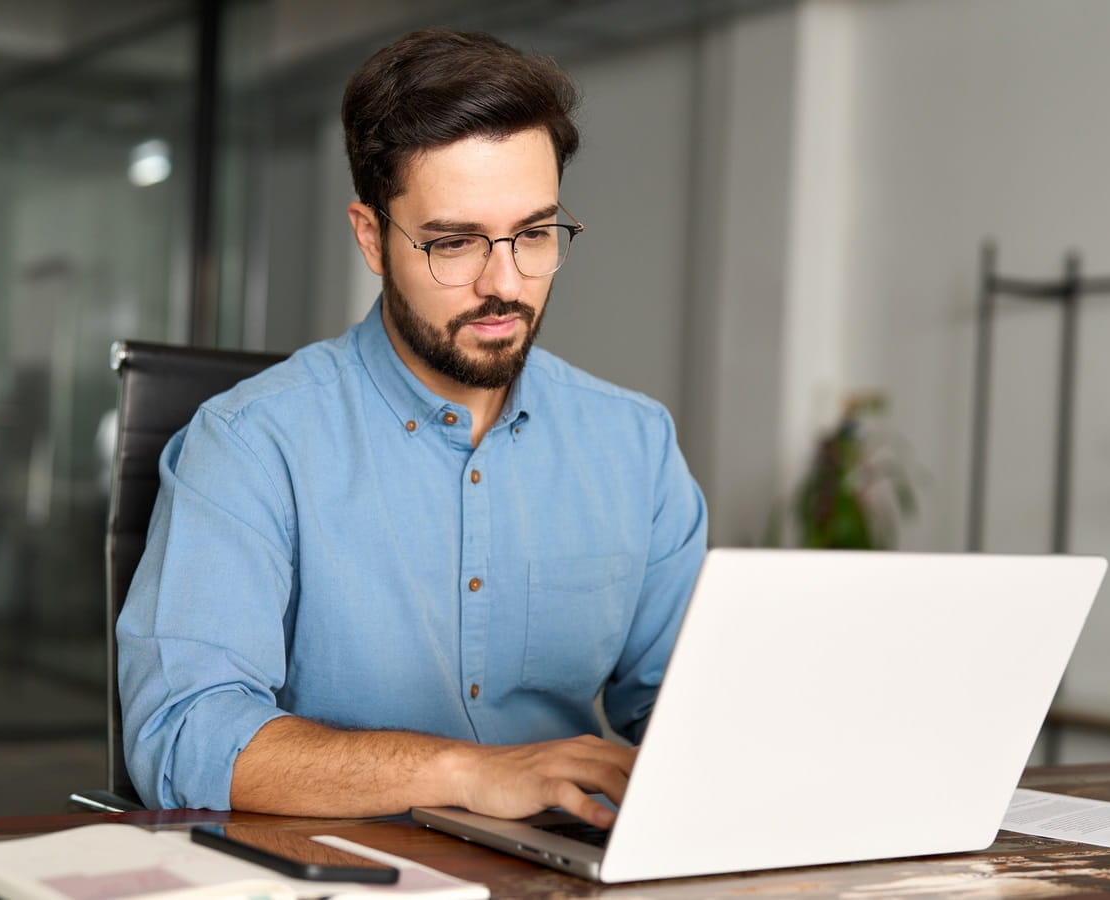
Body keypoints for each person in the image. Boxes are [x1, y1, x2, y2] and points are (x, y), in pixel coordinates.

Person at [116, 28, 707, 828]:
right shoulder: (252, 443)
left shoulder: (633, 445)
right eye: (454, 243)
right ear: (371, 237)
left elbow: (688, 715)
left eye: (534, 235)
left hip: (566, 872)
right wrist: (469, 773)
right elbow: (185, 738)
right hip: (339, 872)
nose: (505, 285)